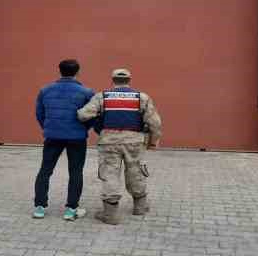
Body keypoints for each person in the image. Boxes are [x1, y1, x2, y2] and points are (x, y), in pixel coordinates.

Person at [77, 68, 162, 225]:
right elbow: (155, 122)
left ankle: (110, 215)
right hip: (135, 141)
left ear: (113, 80)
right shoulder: (141, 97)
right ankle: (140, 207)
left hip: (109, 141)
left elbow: (83, 115)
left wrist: (97, 122)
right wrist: (152, 141)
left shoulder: (102, 97)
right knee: (136, 172)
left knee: (110, 174)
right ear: (129, 80)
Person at [33, 59, 95, 221]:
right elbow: (91, 116)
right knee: (75, 172)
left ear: (59, 70)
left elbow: (40, 114)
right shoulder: (87, 92)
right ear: (78, 72)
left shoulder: (45, 90)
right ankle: (71, 209)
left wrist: (49, 128)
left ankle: (39, 207)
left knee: (45, 170)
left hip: (52, 136)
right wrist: (84, 129)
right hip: (77, 137)